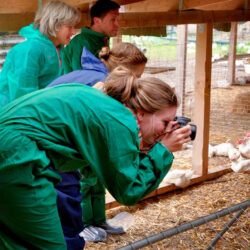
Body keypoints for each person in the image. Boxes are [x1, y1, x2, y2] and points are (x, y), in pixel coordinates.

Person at [0, 66, 191, 249]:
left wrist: (150, 148)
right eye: (165, 122)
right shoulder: (120, 121)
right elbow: (129, 191)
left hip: (11, 148)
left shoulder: (105, 105)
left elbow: (103, 168)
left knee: (14, 243)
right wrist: (164, 150)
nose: (168, 129)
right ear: (142, 114)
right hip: (17, 156)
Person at [48, 42, 148, 246]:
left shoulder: (101, 77)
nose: (137, 83)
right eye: (136, 77)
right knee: (83, 179)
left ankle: (98, 220)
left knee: (96, 176)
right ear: (125, 70)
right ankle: (84, 225)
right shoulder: (101, 82)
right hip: (58, 139)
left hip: (66, 133)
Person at [0, 0, 81, 108]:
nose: (73, 32)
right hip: (15, 117)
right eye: (69, 26)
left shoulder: (58, 48)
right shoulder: (29, 50)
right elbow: (23, 98)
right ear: (55, 23)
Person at [62, 0, 120, 74]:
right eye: (113, 19)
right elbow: (82, 79)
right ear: (97, 21)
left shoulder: (101, 40)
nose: (118, 24)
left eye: (118, 20)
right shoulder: (82, 42)